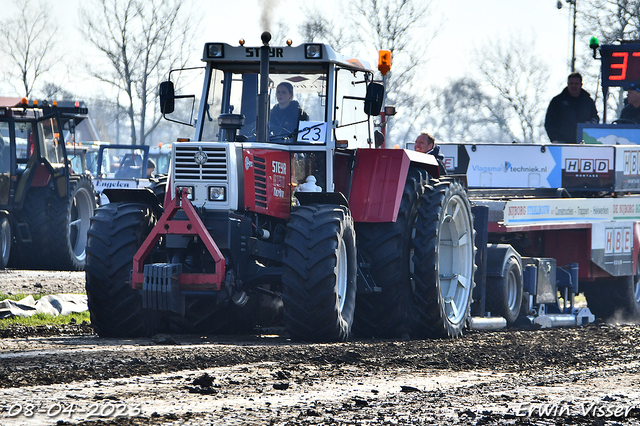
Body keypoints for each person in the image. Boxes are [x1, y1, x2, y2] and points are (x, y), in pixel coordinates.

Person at [545, 72, 599, 143]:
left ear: (581, 85)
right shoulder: (557, 101)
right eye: (571, 83)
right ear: (568, 84)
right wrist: (554, 139)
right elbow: (549, 122)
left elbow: (595, 117)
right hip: (562, 142)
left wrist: (594, 122)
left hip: (584, 142)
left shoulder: (588, 101)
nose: (573, 86)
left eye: (576, 84)